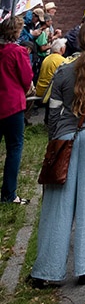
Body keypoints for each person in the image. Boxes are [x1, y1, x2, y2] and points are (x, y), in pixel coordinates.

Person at [30, 18, 85, 287]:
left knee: (56, 208)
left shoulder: (62, 72)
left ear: (77, 41)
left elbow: (53, 113)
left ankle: (46, 271)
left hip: (66, 137)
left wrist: (55, 140)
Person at [0, 15, 33, 204]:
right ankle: (9, 194)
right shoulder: (18, 52)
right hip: (12, 105)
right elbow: (26, 79)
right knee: (14, 148)